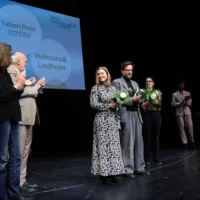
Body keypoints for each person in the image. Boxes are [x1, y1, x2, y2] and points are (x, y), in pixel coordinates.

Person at [7, 52, 46, 194]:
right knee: (18, 152)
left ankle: (21, 181)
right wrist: (34, 88)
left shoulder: (19, 73)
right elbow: (16, 91)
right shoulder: (11, 71)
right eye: (25, 61)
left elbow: (24, 90)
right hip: (21, 117)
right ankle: (16, 183)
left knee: (24, 151)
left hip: (28, 117)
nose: (27, 64)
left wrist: (37, 87)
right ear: (17, 62)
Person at [112, 61, 149, 178]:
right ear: (122, 70)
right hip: (125, 114)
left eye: (131, 70)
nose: (129, 72)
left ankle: (140, 167)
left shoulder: (135, 83)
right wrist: (132, 100)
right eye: (127, 70)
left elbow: (138, 100)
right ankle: (127, 169)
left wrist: (142, 101)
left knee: (139, 142)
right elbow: (117, 99)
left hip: (136, 115)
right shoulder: (116, 82)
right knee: (127, 143)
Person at [90, 66, 124, 184]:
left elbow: (118, 106)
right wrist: (108, 106)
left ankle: (115, 173)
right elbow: (93, 104)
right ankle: (104, 175)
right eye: (98, 74)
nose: (101, 76)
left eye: (102, 73)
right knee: (103, 148)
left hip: (113, 120)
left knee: (114, 148)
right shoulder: (95, 88)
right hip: (101, 120)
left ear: (107, 74)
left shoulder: (114, 89)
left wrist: (118, 106)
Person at [0, 42, 26, 200]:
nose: (12, 57)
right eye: (9, 54)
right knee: (2, 159)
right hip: (2, 119)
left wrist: (20, 85)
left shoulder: (4, 72)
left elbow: (13, 94)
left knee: (16, 157)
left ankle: (15, 193)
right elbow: (3, 96)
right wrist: (16, 86)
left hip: (14, 118)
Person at [141, 77, 162, 165]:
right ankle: (147, 159)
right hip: (147, 115)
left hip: (156, 114)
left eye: (150, 81)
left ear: (153, 83)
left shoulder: (157, 92)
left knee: (156, 137)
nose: (148, 83)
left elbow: (159, 105)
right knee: (147, 137)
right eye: (146, 81)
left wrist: (152, 100)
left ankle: (156, 158)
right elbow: (141, 106)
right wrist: (146, 103)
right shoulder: (143, 92)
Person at [171, 79, 195, 149]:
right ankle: (185, 143)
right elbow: (172, 104)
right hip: (179, 113)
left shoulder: (188, 93)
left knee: (190, 127)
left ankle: (192, 141)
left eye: (183, 85)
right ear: (178, 85)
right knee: (181, 128)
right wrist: (179, 103)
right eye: (181, 85)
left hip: (187, 112)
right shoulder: (174, 94)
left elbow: (190, 103)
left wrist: (186, 102)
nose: (182, 86)